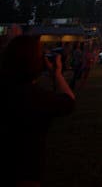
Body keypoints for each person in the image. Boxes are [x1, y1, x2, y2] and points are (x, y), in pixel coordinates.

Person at [0, 35, 76, 185]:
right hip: (25, 172)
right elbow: (69, 101)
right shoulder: (37, 98)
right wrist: (58, 74)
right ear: (36, 63)